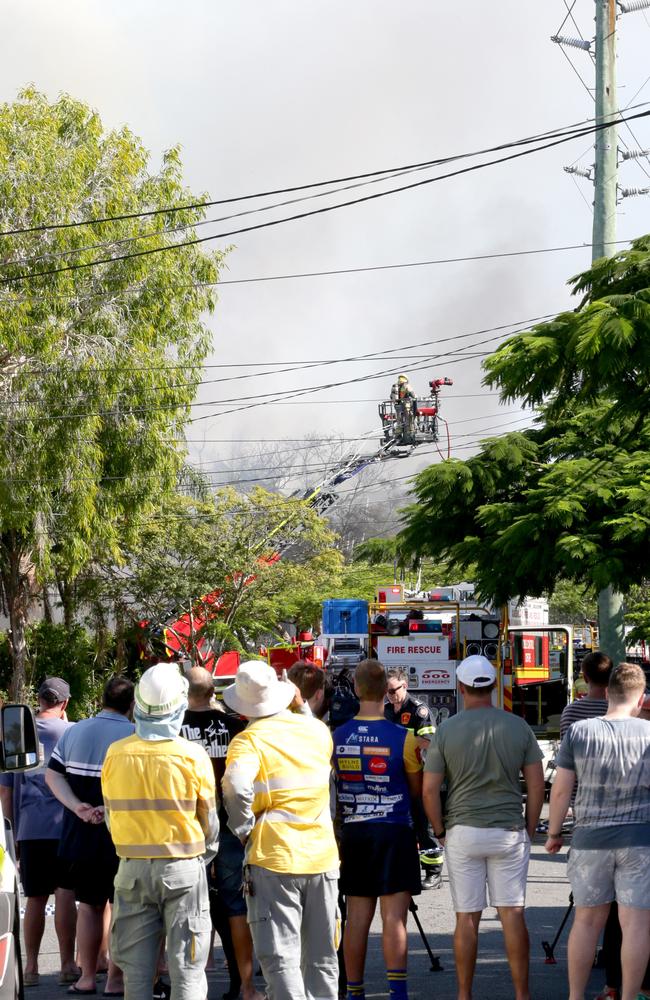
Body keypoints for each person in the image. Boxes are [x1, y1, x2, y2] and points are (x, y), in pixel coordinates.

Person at [423, 654, 544, 1000]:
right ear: (493, 686)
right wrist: (529, 827)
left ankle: (464, 994)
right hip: (508, 830)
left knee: (466, 918)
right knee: (512, 913)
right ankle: (522, 994)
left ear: (460, 688)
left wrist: (440, 831)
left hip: (462, 830)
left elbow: (430, 789)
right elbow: (536, 786)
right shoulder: (517, 726)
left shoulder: (446, 730)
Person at [222, 660, 340, 1000]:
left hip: (273, 857)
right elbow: (310, 730)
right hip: (321, 856)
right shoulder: (318, 732)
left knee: (281, 958)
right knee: (322, 957)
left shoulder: (248, 741)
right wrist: (300, 704)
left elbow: (235, 786)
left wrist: (244, 827)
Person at [102, 662, 219, 1000]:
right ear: (180, 706)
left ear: (138, 706)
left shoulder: (116, 754)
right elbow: (209, 823)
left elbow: (112, 818)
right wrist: (201, 856)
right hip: (184, 868)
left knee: (136, 978)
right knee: (187, 972)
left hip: (132, 871)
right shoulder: (192, 756)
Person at [545, 662, 650, 1000]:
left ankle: (576, 996)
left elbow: (560, 791)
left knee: (587, 922)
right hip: (640, 841)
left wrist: (554, 833)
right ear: (640, 698)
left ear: (607, 692)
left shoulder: (579, 732)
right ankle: (630, 995)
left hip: (590, 840)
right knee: (636, 924)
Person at [333, 659, 423, 1000]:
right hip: (395, 831)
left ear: (356, 690)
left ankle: (355, 992)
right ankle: (397, 993)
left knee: (356, 918)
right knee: (394, 919)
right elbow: (415, 790)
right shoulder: (406, 738)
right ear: (386, 691)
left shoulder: (335, 736)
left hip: (354, 835)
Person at [46, 675, 135, 997]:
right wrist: (105, 810)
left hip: (80, 831)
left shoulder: (76, 731)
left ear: (101, 699)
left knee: (89, 906)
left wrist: (78, 807)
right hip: (122, 834)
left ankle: (85, 977)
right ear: (132, 705)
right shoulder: (134, 734)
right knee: (123, 905)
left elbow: (53, 775)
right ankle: (114, 978)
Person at [180, 666, 263, 1000]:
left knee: (184, 905)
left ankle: (186, 984)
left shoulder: (174, 729)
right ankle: (243, 984)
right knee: (235, 906)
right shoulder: (234, 727)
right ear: (212, 691)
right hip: (230, 826)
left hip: (186, 828)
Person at [0, 677, 78, 988]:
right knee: (64, 893)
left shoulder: (17, 734)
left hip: (29, 828)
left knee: (34, 897)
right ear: (65, 703)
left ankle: (30, 967)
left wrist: (11, 830)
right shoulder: (72, 732)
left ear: (39, 700)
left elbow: (5, 791)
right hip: (65, 825)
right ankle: (66, 964)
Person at [384, 667, 438, 888]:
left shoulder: (418, 711)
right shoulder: (385, 710)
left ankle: (433, 871)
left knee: (422, 824)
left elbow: (429, 744)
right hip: (392, 777)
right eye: (386, 691)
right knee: (397, 825)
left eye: (392, 690)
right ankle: (401, 869)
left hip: (417, 776)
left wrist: (406, 743)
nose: (389, 694)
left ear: (404, 686)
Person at [559, 650, 614, 739]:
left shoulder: (570, 712)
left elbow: (565, 750)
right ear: (610, 676)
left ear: (585, 678)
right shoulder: (618, 710)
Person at [390, 375, 417, 440]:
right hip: (406, 405)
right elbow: (413, 395)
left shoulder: (395, 386)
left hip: (397, 406)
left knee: (399, 420)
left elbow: (391, 396)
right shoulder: (406, 385)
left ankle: (398, 434)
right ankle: (409, 434)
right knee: (409, 419)